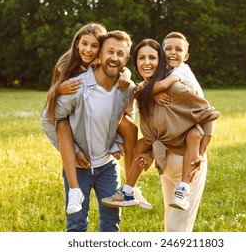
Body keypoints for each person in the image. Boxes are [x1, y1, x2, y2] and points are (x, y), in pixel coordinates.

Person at [102, 39, 218, 232]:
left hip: (188, 168)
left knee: (176, 232)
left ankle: (132, 191)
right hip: (166, 168)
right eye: (141, 58)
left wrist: (201, 151)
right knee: (168, 227)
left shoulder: (175, 88)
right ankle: (129, 191)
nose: (146, 62)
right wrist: (150, 155)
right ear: (136, 62)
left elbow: (209, 114)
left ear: (161, 61)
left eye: (152, 58)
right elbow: (163, 133)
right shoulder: (143, 93)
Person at [41, 30, 134, 232]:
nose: (114, 57)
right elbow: (48, 119)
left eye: (120, 54)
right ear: (100, 55)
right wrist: (73, 152)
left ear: (126, 59)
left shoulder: (127, 88)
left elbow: (127, 116)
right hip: (79, 167)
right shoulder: (76, 86)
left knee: (111, 223)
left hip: (108, 167)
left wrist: (118, 143)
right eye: (110, 52)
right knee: (77, 225)